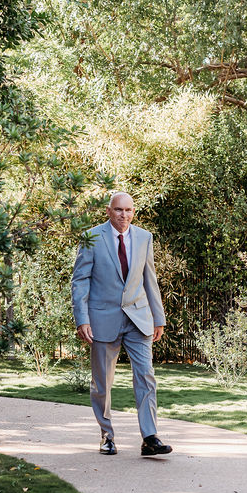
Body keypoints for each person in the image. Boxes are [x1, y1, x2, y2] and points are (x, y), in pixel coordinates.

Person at [72, 191, 172, 457]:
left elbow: (150, 280)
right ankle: (107, 435)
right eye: (118, 210)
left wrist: (158, 318)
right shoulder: (91, 237)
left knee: (146, 377)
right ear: (108, 211)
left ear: (133, 212)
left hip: (138, 319)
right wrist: (82, 319)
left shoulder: (144, 238)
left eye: (128, 210)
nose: (123, 215)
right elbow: (80, 280)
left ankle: (150, 437)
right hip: (102, 320)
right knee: (102, 383)